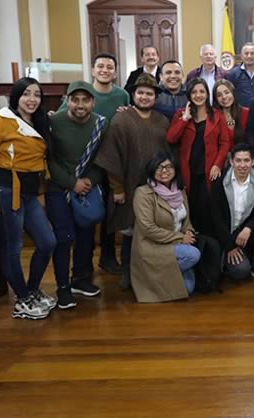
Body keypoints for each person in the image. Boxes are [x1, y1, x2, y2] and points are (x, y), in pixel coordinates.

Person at [0, 77, 56, 320]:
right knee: (12, 248)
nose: (32, 99)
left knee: (48, 241)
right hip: (6, 192)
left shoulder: (40, 122)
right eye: (26, 94)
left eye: (37, 95)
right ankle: (22, 298)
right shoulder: (0, 121)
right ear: (16, 96)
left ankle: (31, 290)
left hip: (28, 194)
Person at [94, 73, 171, 289]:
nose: (145, 97)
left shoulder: (161, 121)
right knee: (130, 231)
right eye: (141, 93)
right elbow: (111, 156)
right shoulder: (121, 119)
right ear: (133, 95)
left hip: (155, 188)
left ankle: (148, 273)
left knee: (151, 229)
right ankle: (128, 272)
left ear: (155, 97)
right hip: (128, 185)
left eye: (149, 94)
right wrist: (117, 189)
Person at [57, 53, 130, 277]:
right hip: (81, 165)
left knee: (108, 213)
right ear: (93, 70)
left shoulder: (123, 95)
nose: (105, 70)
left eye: (110, 67)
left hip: (107, 164)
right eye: (100, 66)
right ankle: (82, 267)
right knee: (84, 220)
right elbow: (61, 117)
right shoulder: (82, 93)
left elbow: (127, 120)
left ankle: (108, 257)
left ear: (115, 72)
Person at [45, 81, 108, 309]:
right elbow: (48, 159)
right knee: (64, 238)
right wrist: (72, 183)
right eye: (75, 100)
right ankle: (62, 288)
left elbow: (103, 159)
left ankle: (81, 279)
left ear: (92, 102)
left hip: (86, 187)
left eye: (85, 100)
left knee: (86, 234)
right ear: (67, 100)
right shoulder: (53, 122)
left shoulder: (101, 124)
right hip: (58, 189)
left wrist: (90, 180)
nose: (80, 105)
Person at [131, 152, 201, 302]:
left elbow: (186, 219)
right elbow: (147, 228)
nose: (164, 171)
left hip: (177, 244)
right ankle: (149, 277)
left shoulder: (180, 191)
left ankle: (165, 275)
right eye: (159, 167)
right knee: (193, 255)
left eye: (169, 167)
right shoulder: (143, 193)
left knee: (188, 289)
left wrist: (188, 230)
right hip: (154, 246)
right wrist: (181, 237)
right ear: (151, 170)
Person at [166, 78, 233, 233]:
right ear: (189, 95)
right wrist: (185, 119)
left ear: (207, 94)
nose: (198, 95)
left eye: (202, 91)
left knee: (209, 209)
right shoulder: (181, 114)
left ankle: (210, 245)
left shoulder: (216, 115)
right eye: (194, 92)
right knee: (192, 208)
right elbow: (171, 138)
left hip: (210, 171)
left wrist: (217, 164)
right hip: (188, 170)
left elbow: (224, 143)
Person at [209, 143, 254, 284]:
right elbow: (216, 218)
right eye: (238, 160)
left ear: (253, 162)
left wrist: (249, 228)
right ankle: (239, 258)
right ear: (231, 162)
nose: (242, 165)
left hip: (247, 233)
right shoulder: (220, 182)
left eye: (246, 160)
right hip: (227, 235)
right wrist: (230, 246)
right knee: (241, 272)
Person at [227, 42, 254, 107]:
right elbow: (230, 93)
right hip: (240, 112)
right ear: (242, 56)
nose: (249, 56)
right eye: (246, 53)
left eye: (252, 53)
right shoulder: (233, 73)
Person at [213, 79, 250, 145]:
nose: (224, 97)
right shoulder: (214, 117)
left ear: (233, 93)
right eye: (219, 95)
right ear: (216, 99)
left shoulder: (246, 113)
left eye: (227, 92)